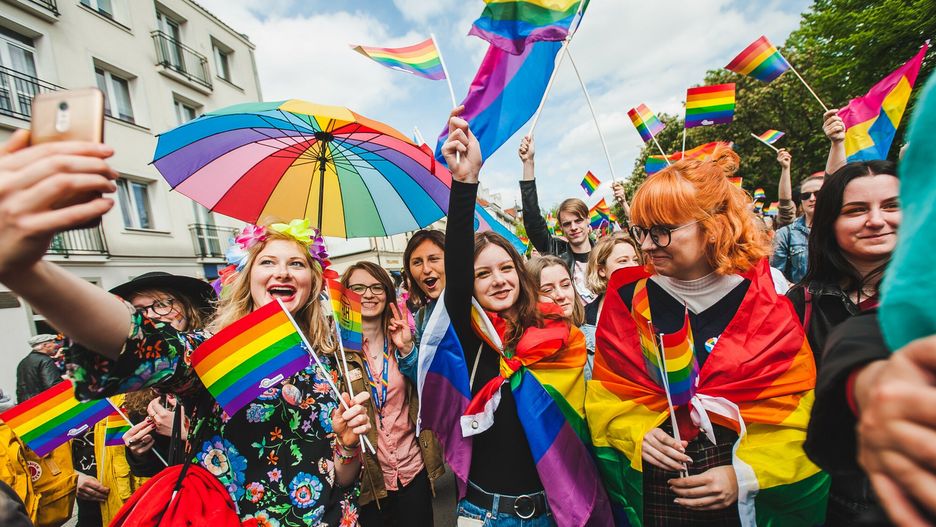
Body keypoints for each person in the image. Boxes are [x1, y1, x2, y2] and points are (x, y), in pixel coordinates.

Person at [0, 174, 373, 527]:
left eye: (296, 264)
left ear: (312, 282)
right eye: (268, 262)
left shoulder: (326, 360)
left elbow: (342, 480)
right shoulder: (215, 351)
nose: (284, 272)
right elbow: (139, 347)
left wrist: (347, 444)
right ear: (248, 279)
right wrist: (33, 274)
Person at [585, 151, 829, 526]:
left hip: (744, 504)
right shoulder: (627, 300)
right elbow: (608, 398)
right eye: (641, 231)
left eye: (662, 230)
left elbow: (798, 415)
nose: (647, 245)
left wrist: (743, 476)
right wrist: (640, 434)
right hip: (660, 497)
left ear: (712, 226)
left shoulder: (765, 304)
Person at [433, 111, 612, 525]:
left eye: (505, 268)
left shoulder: (557, 334)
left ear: (521, 271)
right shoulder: (472, 337)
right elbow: (456, 271)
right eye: (482, 274)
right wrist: (465, 182)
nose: (497, 280)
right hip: (485, 512)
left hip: (551, 509)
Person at [338, 261, 443, 526]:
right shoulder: (335, 351)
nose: (369, 294)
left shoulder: (403, 338)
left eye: (376, 287)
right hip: (369, 480)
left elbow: (429, 389)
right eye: (358, 288)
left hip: (412, 470)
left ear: (387, 293)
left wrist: (407, 349)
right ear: (345, 295)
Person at [786, 160, 899, 364]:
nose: (876, 220)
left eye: (892, 206)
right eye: (856, 210)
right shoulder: (801, 303)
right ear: (829, 222)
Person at [518, 136, 597, 305]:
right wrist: (528, 163)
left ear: (587, 220)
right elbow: (532, 219)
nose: (574, 227)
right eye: (567, 224)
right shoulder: (554, 250)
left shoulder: (604, 253)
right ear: (561, 227)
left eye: (578, 221)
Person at [581, 233, 643, 378]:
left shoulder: (654, 306)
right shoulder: (584, 319)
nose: (633, 266)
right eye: (623, 261)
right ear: (602, 270)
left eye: (635, 260)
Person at [772, 171, 824, 285]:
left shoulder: (840, 230)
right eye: (806, 195)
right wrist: (795, 291)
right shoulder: (786, 233)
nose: (812, 198)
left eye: (817, 193)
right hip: (802, 300)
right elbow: (776, 275)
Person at [15, 334, 63, 403]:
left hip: (26, 405)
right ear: (45, 345)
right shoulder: (45, 360)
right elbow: (53, 385)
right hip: (44, 404)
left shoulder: (23, 362)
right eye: (53, 342)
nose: (56, 345)